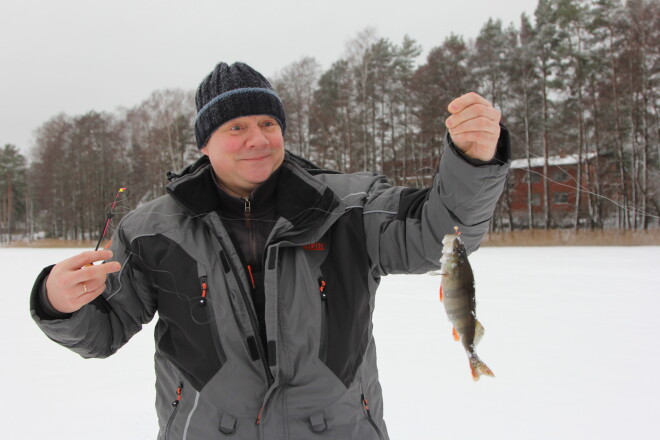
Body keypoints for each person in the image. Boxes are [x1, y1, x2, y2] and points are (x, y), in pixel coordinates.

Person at [30, 61, 510, 439]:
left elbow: (440, 236)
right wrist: (57, 303)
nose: (257, 138)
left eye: (267, 122)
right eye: (235, 127)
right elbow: (103, 331)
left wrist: (471, 159)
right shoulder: (151, 230)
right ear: (204, 144)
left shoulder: (350, 206)